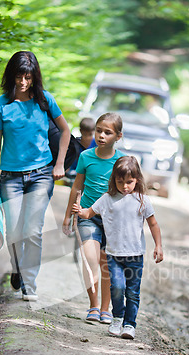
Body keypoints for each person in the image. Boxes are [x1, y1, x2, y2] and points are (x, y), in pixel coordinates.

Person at [0, 51, 70, 301]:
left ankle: (29, 283)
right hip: (10, 177)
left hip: (42, 174)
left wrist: (59, 163)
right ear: (12, 76)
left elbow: (65, 131)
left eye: (27, 77)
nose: (23, 82)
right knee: (14, 232)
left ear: (34, 78)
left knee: (33, 229)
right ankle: (17, 267)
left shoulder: (44, 101)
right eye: (19, 76)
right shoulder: (1, 105)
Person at [72, 156, 163, 339]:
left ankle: (130, 325)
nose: (125, 186)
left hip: (135, 256)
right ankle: (117, 318)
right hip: (114, 255)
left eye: (129, 182)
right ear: (114, 179)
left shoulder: (142, 200)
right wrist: (80, 211)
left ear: (137, 179)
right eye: (120, 182)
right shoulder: (107, 199)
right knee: (118, 288)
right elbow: (90, 212)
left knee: (132, 292)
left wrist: (158, 246)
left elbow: (153, 224)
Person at [62, 112, 124, 324]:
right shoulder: (85, 157)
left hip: (112, 220)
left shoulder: (122, 161)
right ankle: (93, 305)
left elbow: (129, 193)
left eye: (108, 132)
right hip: (87, 215)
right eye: (99, 131)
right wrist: (67, 216)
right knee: (90, 259)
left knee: (106, 262)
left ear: (118, 136)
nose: (101, 136)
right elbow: (76, 187)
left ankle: (106, 308)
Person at [65, 117, 96, 186]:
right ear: (81, 131)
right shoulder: (75, 144)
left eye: (90, 134)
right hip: (74, 174)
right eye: (85, 134)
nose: (87, 138)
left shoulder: (97, 145)